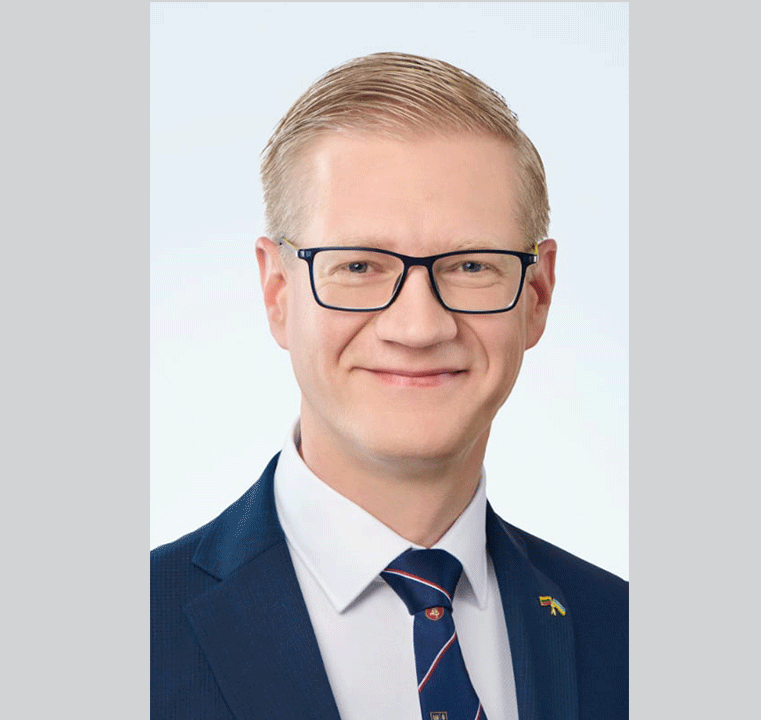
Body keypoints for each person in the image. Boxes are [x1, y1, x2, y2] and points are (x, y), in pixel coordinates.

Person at [151, 52, 627, 720]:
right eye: (359, 266)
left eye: (471, 265)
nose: (419, 326)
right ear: (278, 291)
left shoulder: (627, 635)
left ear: (538, 295)